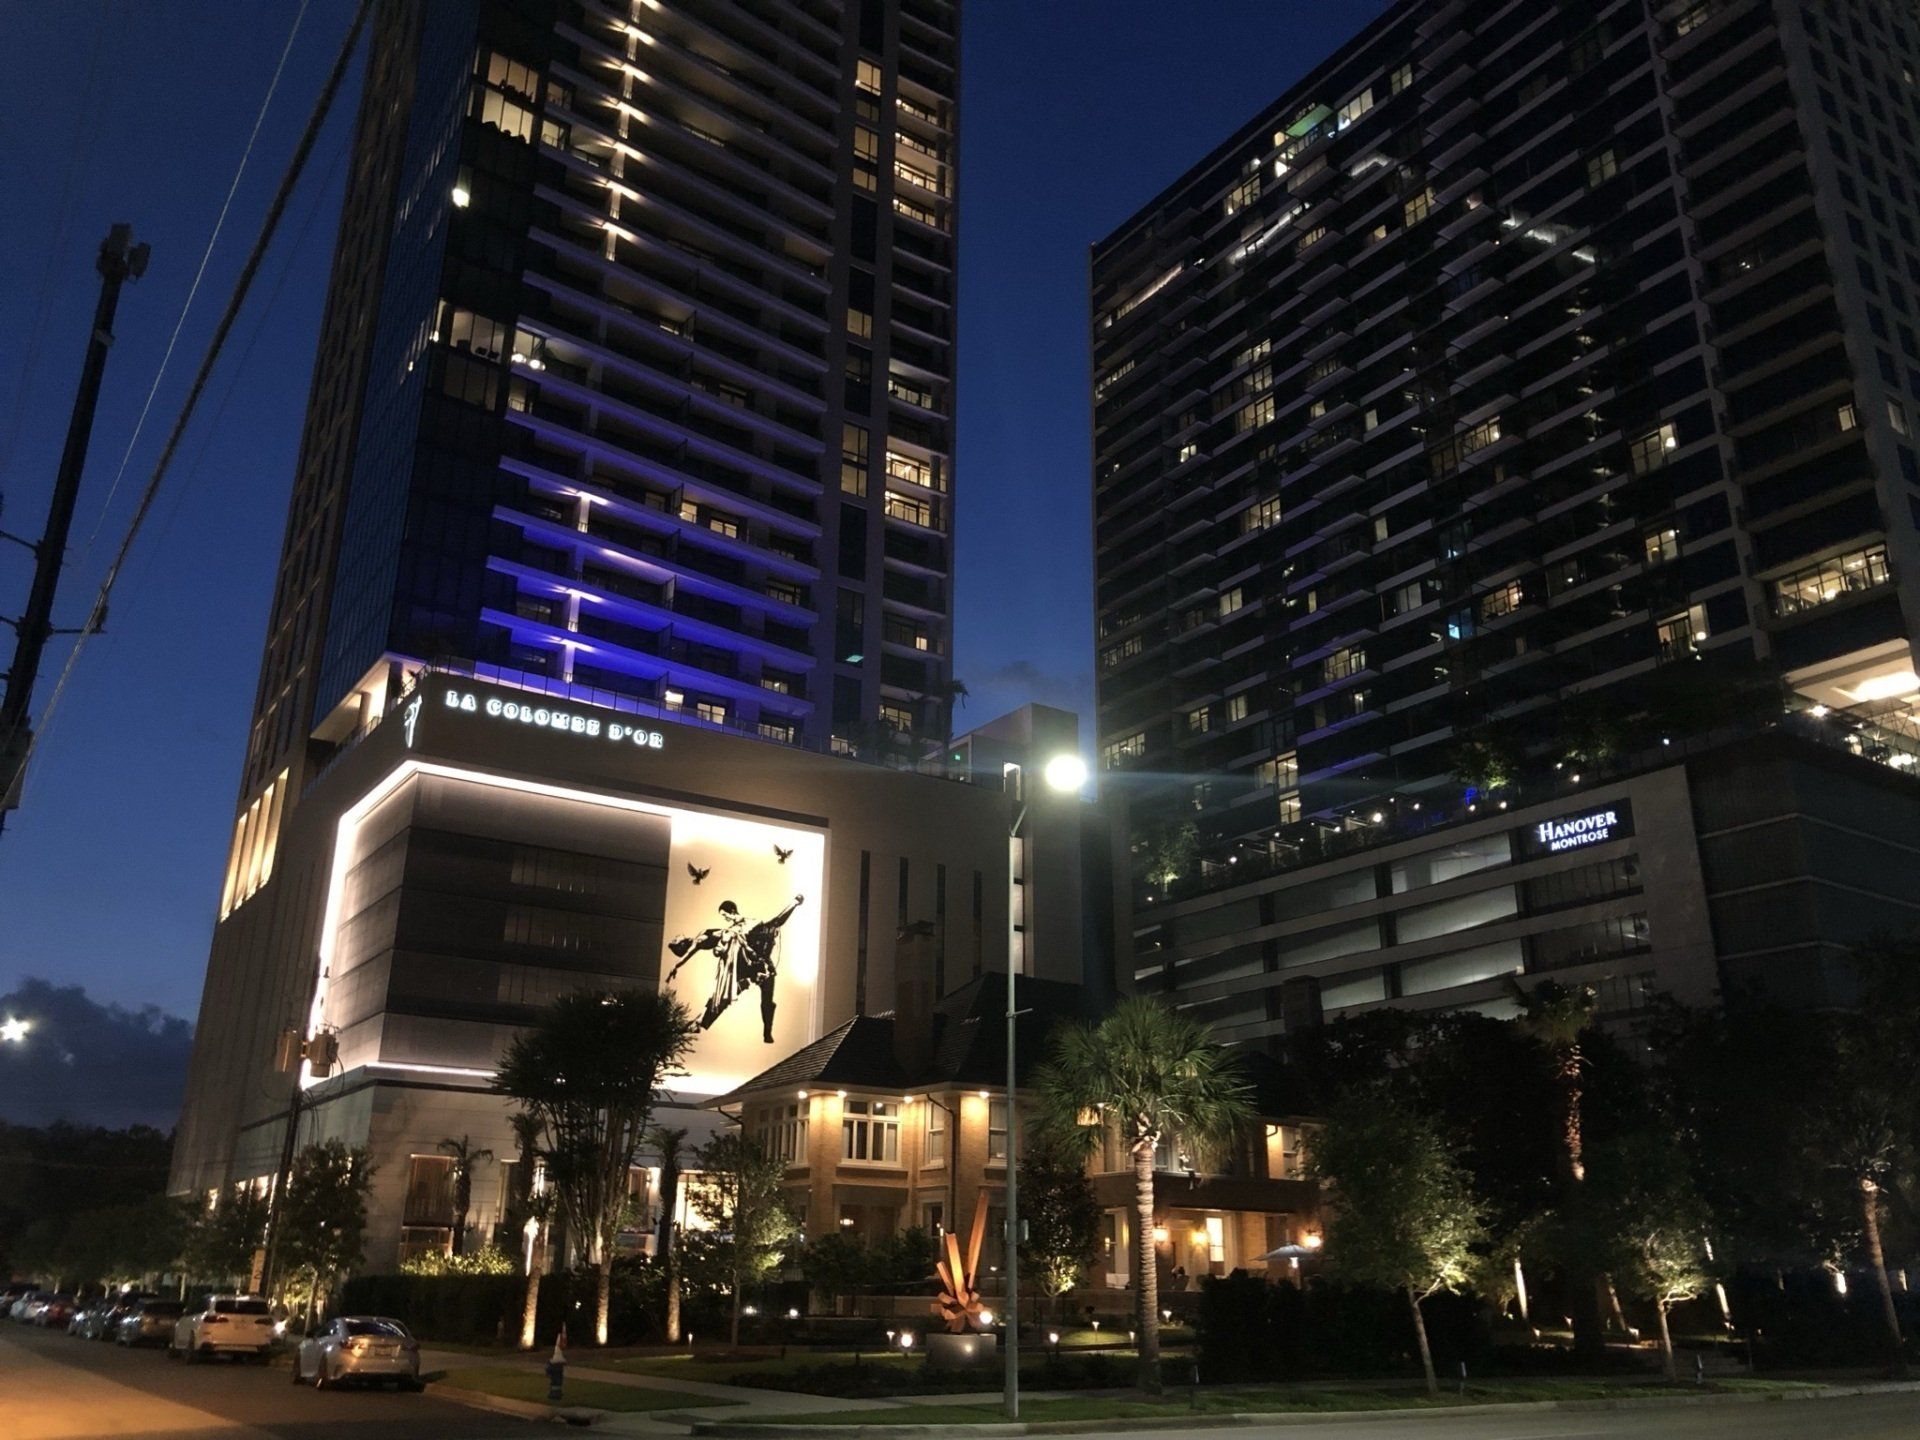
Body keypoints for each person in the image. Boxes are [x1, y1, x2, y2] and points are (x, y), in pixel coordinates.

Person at [666, 894, 805, 1043]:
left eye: (725, 915)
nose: (725, 919)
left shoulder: (743, 925)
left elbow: (774, 923)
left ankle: (766, 1031)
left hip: (757, 959)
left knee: (765, 999)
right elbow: (690, 952)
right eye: (677, 941)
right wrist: (677, 965)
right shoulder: (704, 937)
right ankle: (702, 1022)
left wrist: (793, 904)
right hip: (744, 964)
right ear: (682, 944)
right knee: (724, 997)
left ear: (732, 911)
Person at [546, 1326, 567, 1402]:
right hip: (556, 1367)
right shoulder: (558, 1368)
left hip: (555, 1366)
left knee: (555, 1382)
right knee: (557, 1381)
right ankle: (556, 1394)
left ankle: (555, 1394)